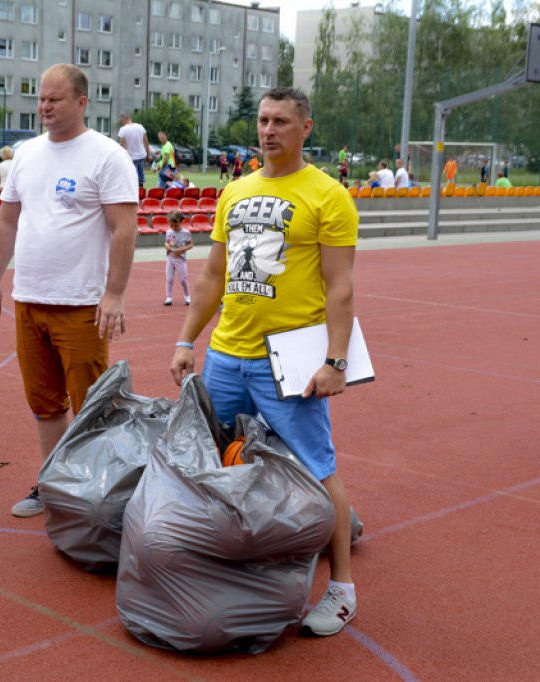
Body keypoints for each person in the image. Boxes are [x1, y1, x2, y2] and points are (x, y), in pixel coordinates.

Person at [169, 86, 359, 638]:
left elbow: (340, 287)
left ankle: (343, 588)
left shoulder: (329, 197)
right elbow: (210, 276)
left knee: (316, 468)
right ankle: (238, 561)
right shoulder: (234, 192)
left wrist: (336, 362)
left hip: (290, 362)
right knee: (220, 462)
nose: (268, 130)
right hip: (228, 353)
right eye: (262, 120)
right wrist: (187, 340)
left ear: (306, 128)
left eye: (280, 121)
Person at [0, 63, 138, 518]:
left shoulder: (107, 156)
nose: (44, 107)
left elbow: (124, 229)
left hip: (82, 304)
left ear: (82, 102)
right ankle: (51, 484)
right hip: (30, 299)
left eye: (55, 99)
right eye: (41, 99)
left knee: (92, 407)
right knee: (44, 403)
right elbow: (6, 220)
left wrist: (114, 293)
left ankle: (96, 494)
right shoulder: (26, 154)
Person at [163, 209, 192, 306]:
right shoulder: (169, 232)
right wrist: (167, 245)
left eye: (176, 226)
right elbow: (169, 242)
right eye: (171, 226)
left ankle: (187, 297)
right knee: (169, 279)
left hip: (181, 259)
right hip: (170, 258)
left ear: (182, 222)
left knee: (183, 279)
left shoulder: (186, 233)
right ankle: (169, 297)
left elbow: (191, 245)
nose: (174, 228)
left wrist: (183, 249)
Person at [117, 113, 151, 187]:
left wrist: (123, 158)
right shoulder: (140, 127)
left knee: (131, 178)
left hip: (131, 158)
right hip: (141, 156)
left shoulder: (123, 130)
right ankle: (141, 189)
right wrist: (148, 155)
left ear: (123, 121)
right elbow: (146, 143)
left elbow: (122, 146)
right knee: (140, 178)